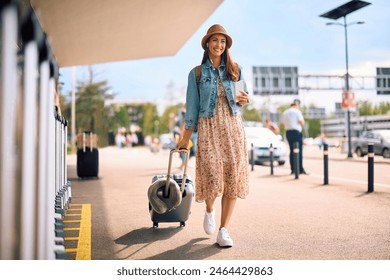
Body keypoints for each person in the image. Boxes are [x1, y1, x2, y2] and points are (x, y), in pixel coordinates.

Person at [177, 24, 249, 247]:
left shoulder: (236, 69)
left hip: (232, 128)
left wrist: (245, 100)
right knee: (211, 174)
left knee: (232, 178)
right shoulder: (196, 74)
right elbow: (192, 109)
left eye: (223, 41)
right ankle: (209, 209)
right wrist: (185, 138)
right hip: (208, 128)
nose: (219, 45)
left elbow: (241, 100)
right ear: (207, 43)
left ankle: (224, 229)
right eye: (215, 40)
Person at [281, 99, 308, 175]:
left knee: (292, 151)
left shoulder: (285, 113)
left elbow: (283, 124)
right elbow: (302, 122)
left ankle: (293, 169)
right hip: (296, 132)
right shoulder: (297, 111)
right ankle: (299, 169)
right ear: (296, 105)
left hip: (288, 133)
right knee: (298, 151)